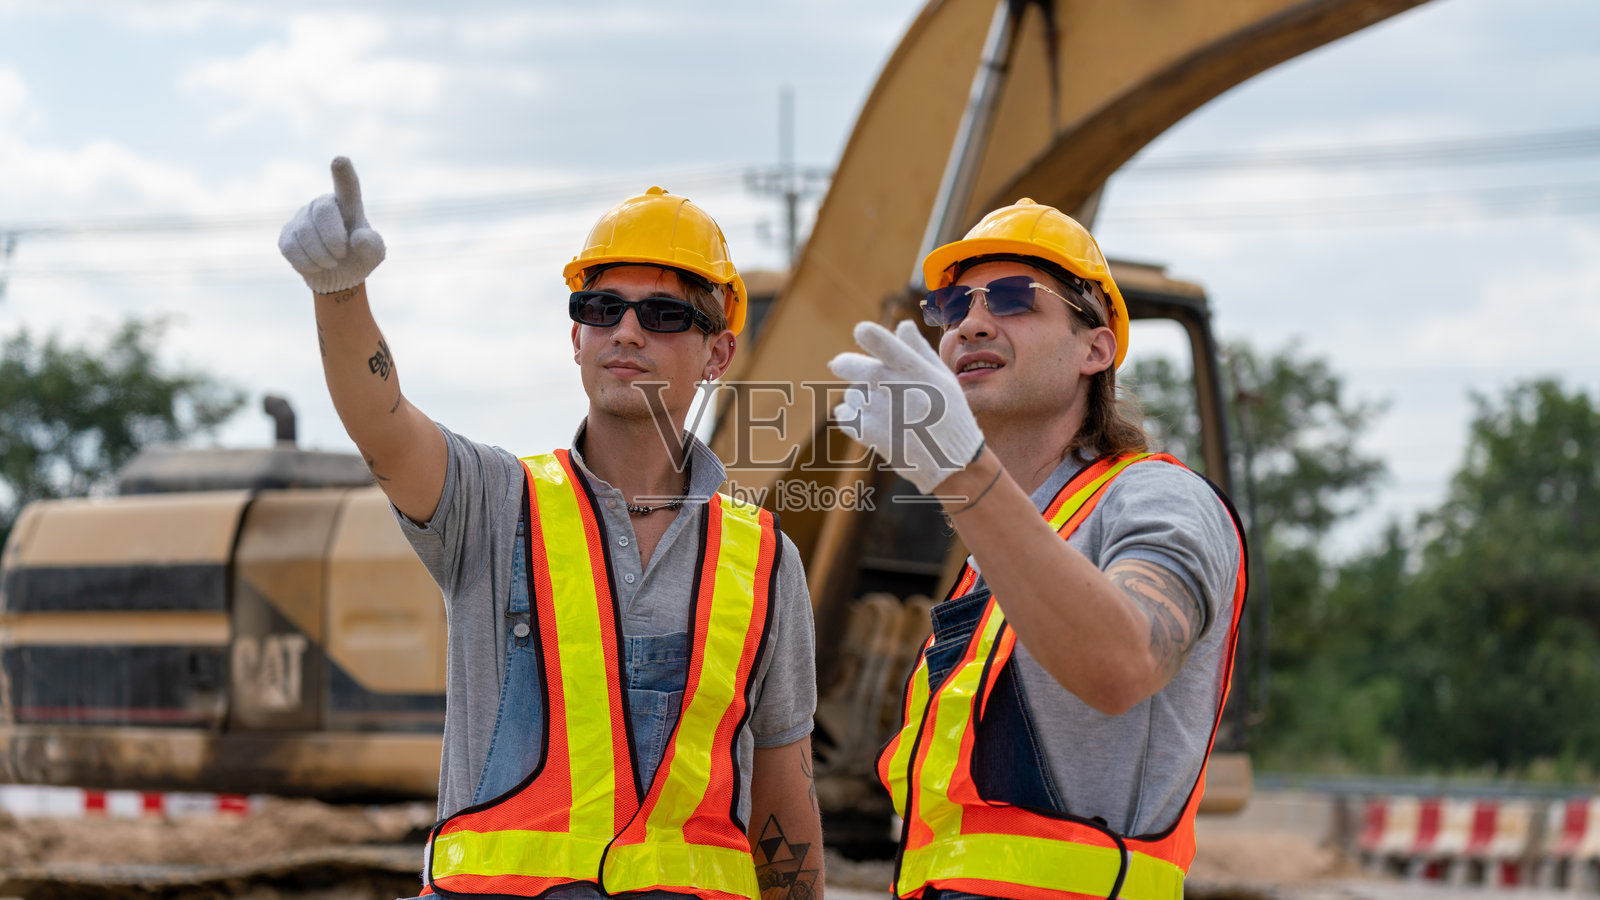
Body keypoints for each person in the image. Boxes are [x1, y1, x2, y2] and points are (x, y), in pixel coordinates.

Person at [279, 158, 822, 900]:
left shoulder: (764, 561)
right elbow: (384, 424)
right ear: (576, 337)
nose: (625, 331)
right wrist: (340, 295)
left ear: (719, 352)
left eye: (663, 316)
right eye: (602, 308)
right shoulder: (495, 503)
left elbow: (784, 804)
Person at [827, 198, 1245, 900]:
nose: (971, 323)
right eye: (953, 305)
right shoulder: (993, 545)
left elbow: (1125, 663)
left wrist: (963, 473)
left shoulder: (1155, 498)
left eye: (1014, 298)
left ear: (1096, 349)